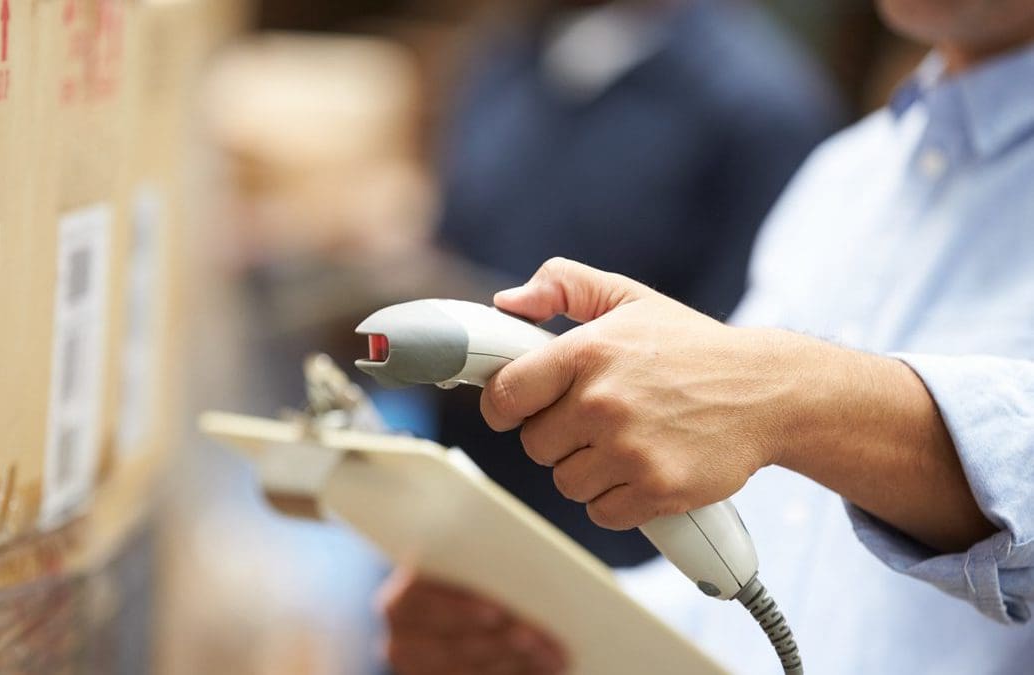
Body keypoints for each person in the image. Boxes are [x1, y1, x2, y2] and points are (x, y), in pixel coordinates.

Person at [381, 0, 1034, 672]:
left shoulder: (760, 107)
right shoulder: (843, 182)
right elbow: (776, 580)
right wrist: (549, 629)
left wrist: (790, 394)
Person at [434, 0, 840, 567]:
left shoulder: (759, 109)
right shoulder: (507, 63)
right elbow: (458, 231)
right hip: (463, 506)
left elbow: (747, 376)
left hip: (630, 550)